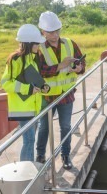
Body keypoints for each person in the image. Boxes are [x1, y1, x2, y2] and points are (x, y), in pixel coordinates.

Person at [36, 11, 86, 169]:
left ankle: (65, 155)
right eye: (50, 32)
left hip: (66, 94)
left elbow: (82, 65)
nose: (55, 34)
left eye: (57, 30)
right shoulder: (38, 49)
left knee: (65, 126)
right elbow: (40, 71)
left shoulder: (70, 43)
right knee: (44, 127)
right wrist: (61, 66)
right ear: (42, 31)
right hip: (46, 96)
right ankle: (40, 156)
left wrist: (78, 69)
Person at [1, 24, 49, 161]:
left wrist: (43, 86)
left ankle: (29, 170)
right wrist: (27, 89)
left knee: (30, 141)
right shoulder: (16, 60)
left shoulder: (33, 58)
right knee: (29, 141)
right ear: (29, 43)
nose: (39, 46)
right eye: (36, 44)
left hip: (33, 107)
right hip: (22, 108)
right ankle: (27, 174)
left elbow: (33, 79)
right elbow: (6, 83)